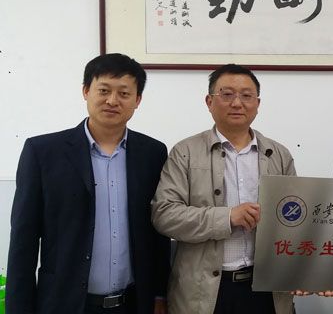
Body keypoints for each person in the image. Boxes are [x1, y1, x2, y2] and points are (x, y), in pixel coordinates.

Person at [6, 53, 170, 314]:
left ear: (137, 100)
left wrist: (160, 294)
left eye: (124, 93)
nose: (112, 100)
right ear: (85, 91)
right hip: (65, 304)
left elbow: (158, 232)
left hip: (132, 303)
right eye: (104, 90)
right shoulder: (43, 152)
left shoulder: (153, 153)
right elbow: (23, 242)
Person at [151, 64, 296, 314]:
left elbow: (295, 221)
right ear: (209, 101)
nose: (237, 103)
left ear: (257, 103)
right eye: (227, 94)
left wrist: (310, 272)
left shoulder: (279, 155)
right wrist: (228, 217)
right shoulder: (185, 152)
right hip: (204, 292)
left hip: (267, 291)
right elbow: (164, 215)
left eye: (246, 95)